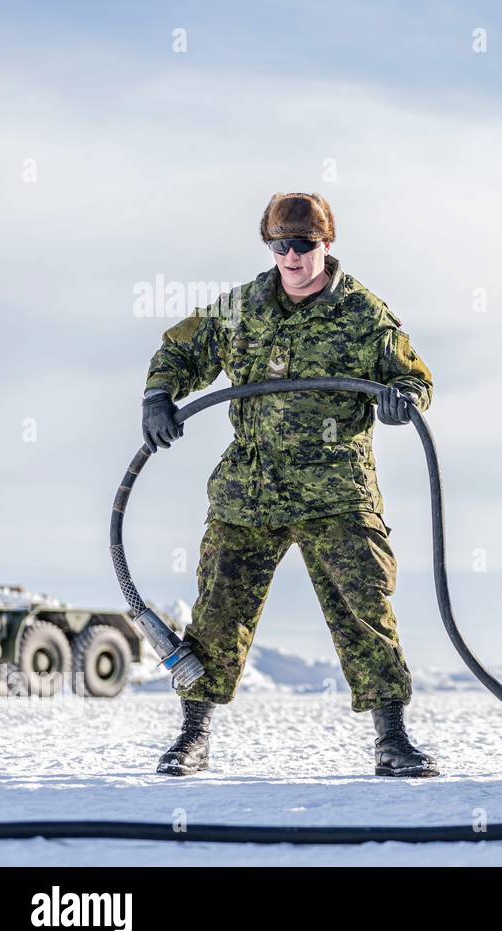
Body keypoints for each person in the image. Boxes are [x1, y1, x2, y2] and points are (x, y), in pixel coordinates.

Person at [140, 192, 438, 778]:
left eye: (304, 244)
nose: (292, 256)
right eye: (280, 245)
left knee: (364, 610)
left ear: (327, 244)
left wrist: (403, 398)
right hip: (249, 489)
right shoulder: (240, 308)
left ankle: (392, 739)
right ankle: (193, 736)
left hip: (338, 492)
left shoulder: (363, 314)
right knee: (218, 614)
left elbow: (412, 374)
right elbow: (180, 348)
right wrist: (158, 395)